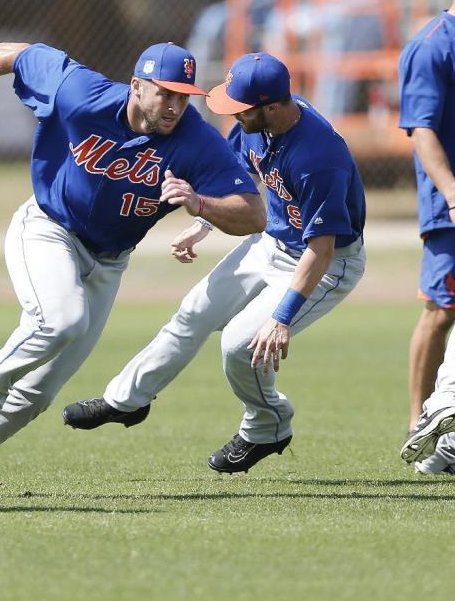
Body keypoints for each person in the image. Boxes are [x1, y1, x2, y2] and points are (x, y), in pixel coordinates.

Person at [0, 41, 265, 495]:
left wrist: (200, 203)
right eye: (164, 93)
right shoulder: (80, 91)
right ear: (137, 87)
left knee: (36, 395)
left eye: (183, 95)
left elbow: (253, 213)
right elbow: (22, 54)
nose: (174, 105)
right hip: (48, 229)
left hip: (108, 262)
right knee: (62, 318)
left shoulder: (195, 139)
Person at [62, 52, 366, 473]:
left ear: (273, 107)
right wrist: (205, 223)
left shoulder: (318, 158)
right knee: (193, 312)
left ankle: (268, 427)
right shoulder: (257, 125)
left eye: (240, 107)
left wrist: (281, 319)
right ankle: (125, 402)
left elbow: (323, 249)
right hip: (271, 243)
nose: (232, 114)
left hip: (326, 264)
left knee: (241, 345)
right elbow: (234, 185)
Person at [397, 0, 455, 475]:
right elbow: (421, 128)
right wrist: (453, 194)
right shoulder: (432, 46)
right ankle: (422, 425)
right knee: (442, 310)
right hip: (450, 207)